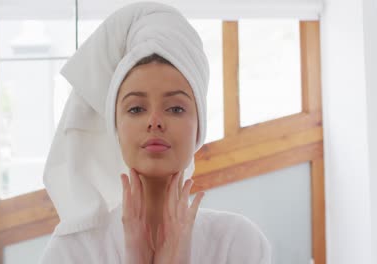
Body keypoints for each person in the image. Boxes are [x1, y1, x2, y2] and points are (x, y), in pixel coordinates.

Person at [39, 2, 271, 263]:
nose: (155, 122)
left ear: (199, 127)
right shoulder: (72, 251)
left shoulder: (237, 243)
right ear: (115, 127)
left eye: (175, 108)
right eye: (136, 109)